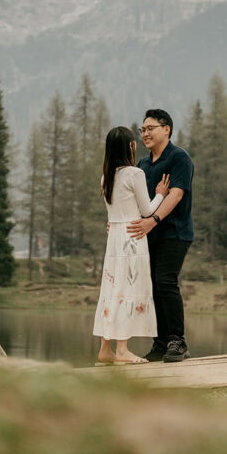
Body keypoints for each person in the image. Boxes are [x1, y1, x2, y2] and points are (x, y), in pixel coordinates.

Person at [93, 126, 171, 365]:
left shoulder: (106, 176)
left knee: (112, 289)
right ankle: (123, 350)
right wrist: (160, 194)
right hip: (131, 238)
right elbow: (146, 210)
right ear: (130, 146)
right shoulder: (134, 174)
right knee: (126, 290)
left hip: (114, 238)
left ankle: (106, 349)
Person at [127, 109, 194, 363]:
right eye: (142, 129)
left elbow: (175, 195)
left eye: (150, 128)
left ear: (166, 129)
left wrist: (153, 221)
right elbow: (138, 200)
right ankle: (161, 343)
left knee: (166, 282)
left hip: (174, 233)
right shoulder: (143, 165)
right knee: (153, 286)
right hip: (149, 234)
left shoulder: (180, 158)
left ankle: (178, 341)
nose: (145, 133)